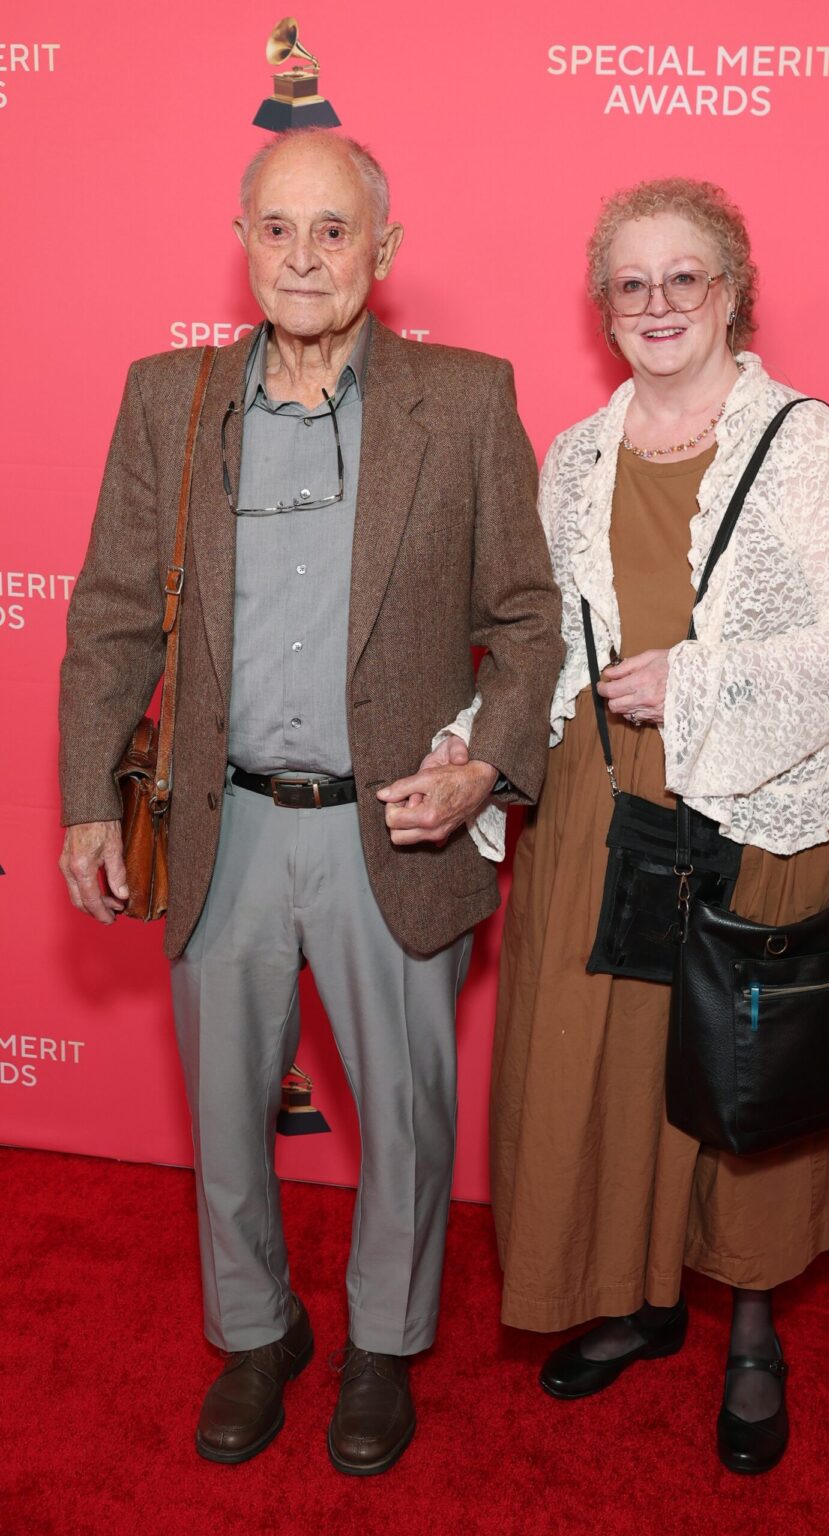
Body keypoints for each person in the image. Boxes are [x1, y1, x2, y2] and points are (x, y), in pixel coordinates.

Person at [57, 128, 562, 1476]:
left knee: (403, 1111)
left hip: (389, 827)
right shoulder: (171, 397)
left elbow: (526, 620)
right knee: (226, 1110)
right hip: (222, 823)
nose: (303, 257)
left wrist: (484, 767)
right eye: (278, 228)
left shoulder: (461, 401)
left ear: (382, 252)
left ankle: (383, 1350)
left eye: (333, 230)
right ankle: (257, 1331)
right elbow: (111, 614)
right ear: (243, 242)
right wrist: (89, 800)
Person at [488, 178, 829, 1475]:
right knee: (613, 1074)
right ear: (602, 305)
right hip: (603, 819)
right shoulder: (574, 454)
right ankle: (643, 1301)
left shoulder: (806, 445)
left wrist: (704, 680)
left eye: (688, 278)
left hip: (760, 811)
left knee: (746, 1089)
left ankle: (751, 1330)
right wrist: (479, 764)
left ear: (733, 292)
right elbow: (546, 643)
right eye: (632, 281)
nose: (659, 303)